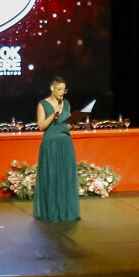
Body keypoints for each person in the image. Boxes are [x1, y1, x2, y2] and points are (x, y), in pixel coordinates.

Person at [31, 75, 80, 222]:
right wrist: (54, 114)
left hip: (66, 143)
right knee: (51, 176)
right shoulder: (43, 104)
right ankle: (51, 211)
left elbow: (67, 125)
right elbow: (41, 126)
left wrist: (74, 123)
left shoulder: (67, 103)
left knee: (65, 176)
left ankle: (66, 210)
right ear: (52, 88)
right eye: (59, 89)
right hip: (50, 144)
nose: (62, 92)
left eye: (64, 90)